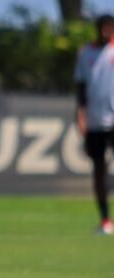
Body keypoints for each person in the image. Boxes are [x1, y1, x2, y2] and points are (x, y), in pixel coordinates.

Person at [74, 14, 114, 235]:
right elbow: (80, 88)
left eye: (111, 28)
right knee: (99, 170)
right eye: (105, 28)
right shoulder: (85, 53)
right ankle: (106, 220)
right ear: (98, 29)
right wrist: (80, 114)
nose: (108, 32)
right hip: (95, 121)